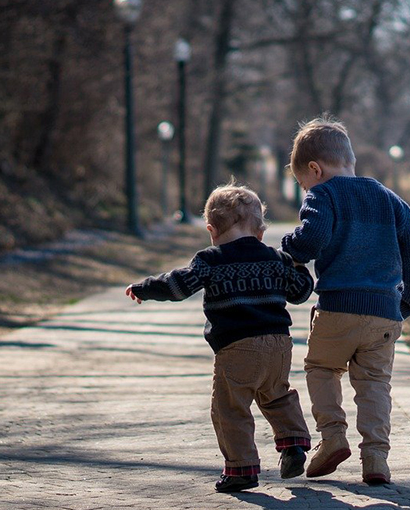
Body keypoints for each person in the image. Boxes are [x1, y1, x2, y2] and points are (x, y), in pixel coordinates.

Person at [125, 183, 315, 493]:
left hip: (238, 347)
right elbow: (300, 292)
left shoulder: (210, 259)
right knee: (277, 395)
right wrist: (299, 266)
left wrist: (146, 288)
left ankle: (241, 468)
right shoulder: (275, 258)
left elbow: (179, 285)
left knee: (230, 408)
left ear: (211, 229)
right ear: (260, 230)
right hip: (279, 344)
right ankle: (293, 444)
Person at [282, 115, 410, 485]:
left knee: (321, 369)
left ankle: (332, 438)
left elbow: (310, 240)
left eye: (302, 182)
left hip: (338, 308)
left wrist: (288, 247)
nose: (304, 188)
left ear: (315, 169)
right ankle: (376, 458)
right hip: (384, 313)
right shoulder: (388, 198)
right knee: (375, 383)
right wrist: (407, 300)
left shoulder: (323, 194)